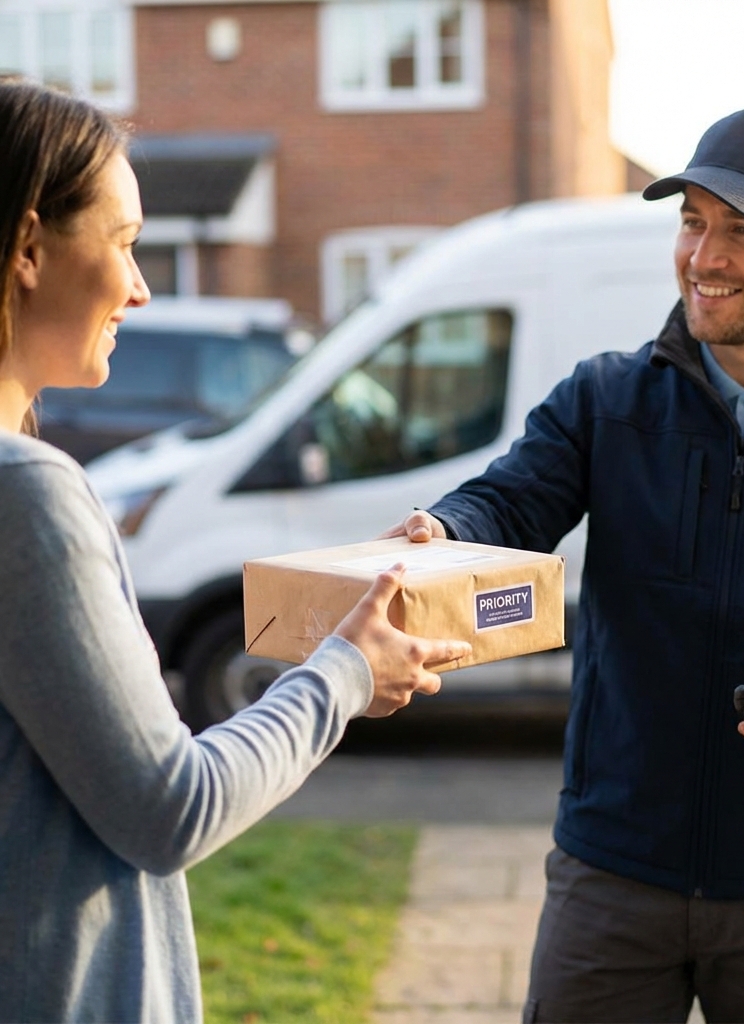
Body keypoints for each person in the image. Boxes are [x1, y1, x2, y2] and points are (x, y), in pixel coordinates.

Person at [384, 105, 744, 1023]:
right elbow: (506, 505)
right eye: (693, 221)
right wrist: (443, 532)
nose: (704, 255)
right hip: (614, 868)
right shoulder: (605, 400)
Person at [0, 81, 471, 1024]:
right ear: (28, 248)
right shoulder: (27, 496)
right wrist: (344, 675)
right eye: (125, 243)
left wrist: (336, 619)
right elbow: (171, 808)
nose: (140, 287)